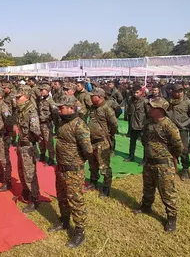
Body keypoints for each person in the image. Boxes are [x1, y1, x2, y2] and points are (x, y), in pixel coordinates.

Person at [48, 95, 93, 248]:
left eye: (62, 107)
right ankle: (64, 221)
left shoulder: (79, 125)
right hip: (61, 168)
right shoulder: (62, 122)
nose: (59, 109)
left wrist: (77, 162)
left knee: (76, 201)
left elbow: (87, 150)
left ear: (71, 108)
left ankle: (80, 232)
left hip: (73, 170)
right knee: (61, 197)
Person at [134, 97, 183, 232]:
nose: (149, 109)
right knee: (148, 187)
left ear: (160, 110)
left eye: (153, 107)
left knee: (167, 192)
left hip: (164, 164)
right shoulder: (149, 123)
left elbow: (178, 146)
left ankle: (171, 218)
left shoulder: (169, 126)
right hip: (149, 161)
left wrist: (170, 157)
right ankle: (146, 206)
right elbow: (145, 139)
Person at [86, 88, 118, 197]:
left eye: (93, 96)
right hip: (92, 140)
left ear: (99, 97)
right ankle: (93, 182)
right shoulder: (92, 108)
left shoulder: (107, 109)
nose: (90, 97)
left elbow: (114, 124)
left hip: (102, 141)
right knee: (92, 163)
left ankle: (106, 188)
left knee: (104, 166)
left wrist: (110, 135)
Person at [15, 86, 42, 213]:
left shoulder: (31, 112)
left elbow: (36, 131)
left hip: (28, 146)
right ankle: (26, 192)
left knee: (29, 173)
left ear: (26, 97)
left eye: (19, 97)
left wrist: (31, 142)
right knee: (21, 170)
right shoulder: (21, 110)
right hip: (21, 144)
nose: (16, 99)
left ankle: (34, 198)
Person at [167, 84, 190, 180]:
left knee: (184, 150)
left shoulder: (188, 102)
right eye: (176, 91)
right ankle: (172, 166)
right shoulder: (167, 102)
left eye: (181, 91)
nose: (179, 93)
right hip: (169, 129)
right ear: (172, 92)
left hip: (182, 130)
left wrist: (187, 123)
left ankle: (185, 168)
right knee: (169, 148)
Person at [124, 85, 149, 163]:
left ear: (141, 92)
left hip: (142, 126)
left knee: (145, 143)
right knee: (132, 142)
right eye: (134, 92)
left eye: (137, 92)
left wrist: (147, 125)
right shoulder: (131, 100)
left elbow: (149, 114)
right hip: (133, 125)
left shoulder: (145, 101)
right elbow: (128, 110)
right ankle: (131, 156)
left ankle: (145, 159)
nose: (135, 94)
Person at [37, 83, 57, 166]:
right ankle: (42, 155)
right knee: (41, 140)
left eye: (42, 90)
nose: (40, 91)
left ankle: (51, 159)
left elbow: (55, 113)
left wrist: (50, 120)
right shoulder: (41, 100)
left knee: (49, 142)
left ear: (47, 91)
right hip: (40, 124)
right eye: (40, 90)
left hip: (47, 124)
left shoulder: (51, 101)